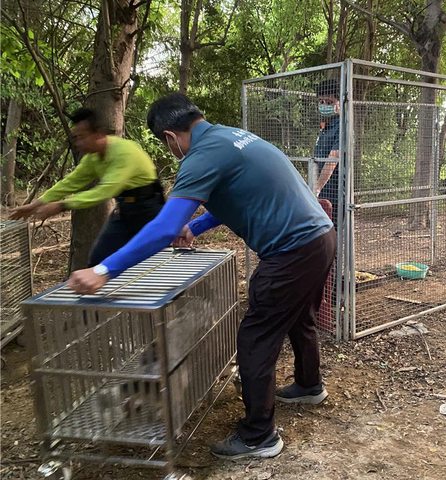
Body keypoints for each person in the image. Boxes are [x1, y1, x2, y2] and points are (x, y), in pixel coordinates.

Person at [67, 93, 336, 460]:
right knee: (299, 317)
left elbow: (164, 227)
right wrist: (195, 226)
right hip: (322, 238)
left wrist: (103, 269)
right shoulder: (232, 137)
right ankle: (309, 385)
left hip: (292, 251)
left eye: (167, 145)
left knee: (255, 338)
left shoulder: (200, 156)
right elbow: (237, 197)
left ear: (169, 136)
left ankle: (259, 436)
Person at [10, 108, 164, 267]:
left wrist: (62, 205)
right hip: (125, 209)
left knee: (152, 262)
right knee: (99, 260)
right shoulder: (92, 158)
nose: (78, 143)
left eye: (82, 137)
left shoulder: (123, 152)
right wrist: (36, 204)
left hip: (149, 209)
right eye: (76, 138)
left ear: (98, 134)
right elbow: (70, 182)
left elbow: (105, 190)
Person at [313, 78, 341, 224]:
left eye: (329, 102)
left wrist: (317, 188)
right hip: (322, 193)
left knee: (333, 233)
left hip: (336, 194)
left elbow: (332, 160)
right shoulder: (325, 126)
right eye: (321, 101)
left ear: (339, 102)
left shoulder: (342, 126)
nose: (324, 105)